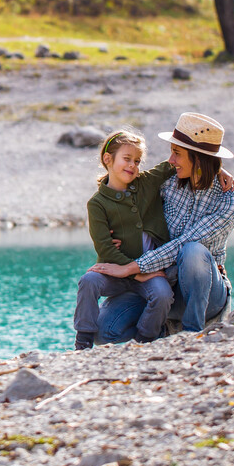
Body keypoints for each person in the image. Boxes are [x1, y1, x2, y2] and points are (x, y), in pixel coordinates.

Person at [85, 112, 234, 344]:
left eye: (177, 153)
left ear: (198, 158)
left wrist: (132, 268)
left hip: (207, 294)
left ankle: (191, 334)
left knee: (192, 250)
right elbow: (123, 193)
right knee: (105, 332)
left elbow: (183, 244)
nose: (171, 160)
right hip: (161, 283)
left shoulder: (228, 202)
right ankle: (161, 337)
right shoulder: (167, 185)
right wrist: (116, 231)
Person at [72, 130, 177, 348]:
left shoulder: (146, 183)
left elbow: (174, 164)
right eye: (127, 159)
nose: (133, 166)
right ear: (108, 159)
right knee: (88, 281)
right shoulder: (97, 204)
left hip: (150, 270)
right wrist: (135, 273)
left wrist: (219, 169)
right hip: (117, 273)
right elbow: (105, 249)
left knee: (163, 295)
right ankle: (82, 343)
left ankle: (143, 340)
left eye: (137, 161)